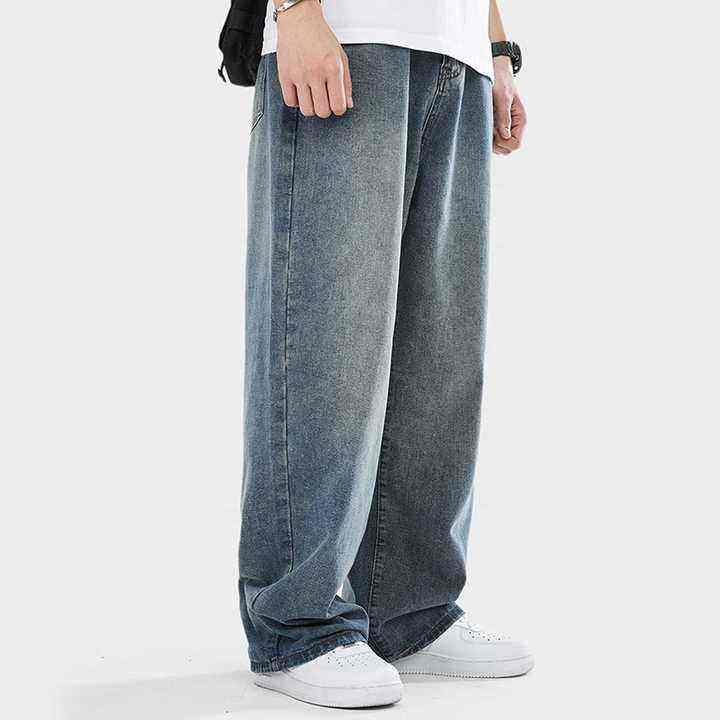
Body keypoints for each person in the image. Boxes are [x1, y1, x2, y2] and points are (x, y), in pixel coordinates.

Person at [238, 0, 530, 708]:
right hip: (347, 32)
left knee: (439, 359)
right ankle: (296, 624)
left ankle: (410, 612)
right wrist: (295, 11)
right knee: (325, 341)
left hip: (455, 53)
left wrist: (496, 48)